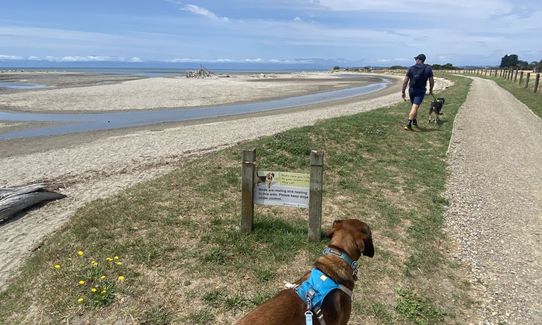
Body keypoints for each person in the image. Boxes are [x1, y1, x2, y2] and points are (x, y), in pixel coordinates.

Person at [401, 54, 434, 130]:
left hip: (411, 90)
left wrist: (403, 91)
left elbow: (405, 81)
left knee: (414, 106)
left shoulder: (411, 68)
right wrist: (431, 89)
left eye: (416, 59)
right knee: (415, 106)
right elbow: (431, 81)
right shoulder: (428, 68)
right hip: (421, 90)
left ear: (419, 60)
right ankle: (409, 124)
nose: (415, 60)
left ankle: (414, 121)